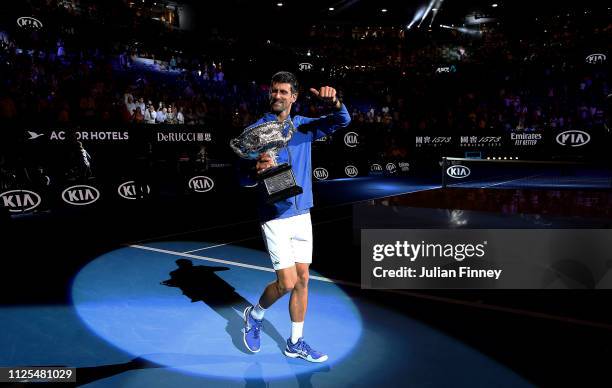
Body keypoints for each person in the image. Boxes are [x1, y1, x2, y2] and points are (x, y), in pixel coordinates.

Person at [242, 71, 350, 362]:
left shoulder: (303, 127)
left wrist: (336, 101)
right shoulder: (257, 131)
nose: (276, 96)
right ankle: (255, 314)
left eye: (282, 92)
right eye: (273, 91)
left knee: (303, 280)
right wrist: (253, 170)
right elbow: (241, 176)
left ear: (294, 96)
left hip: (303, 213)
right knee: (287, 282)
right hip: (274, 215)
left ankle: (295, 343)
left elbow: (343, 121)